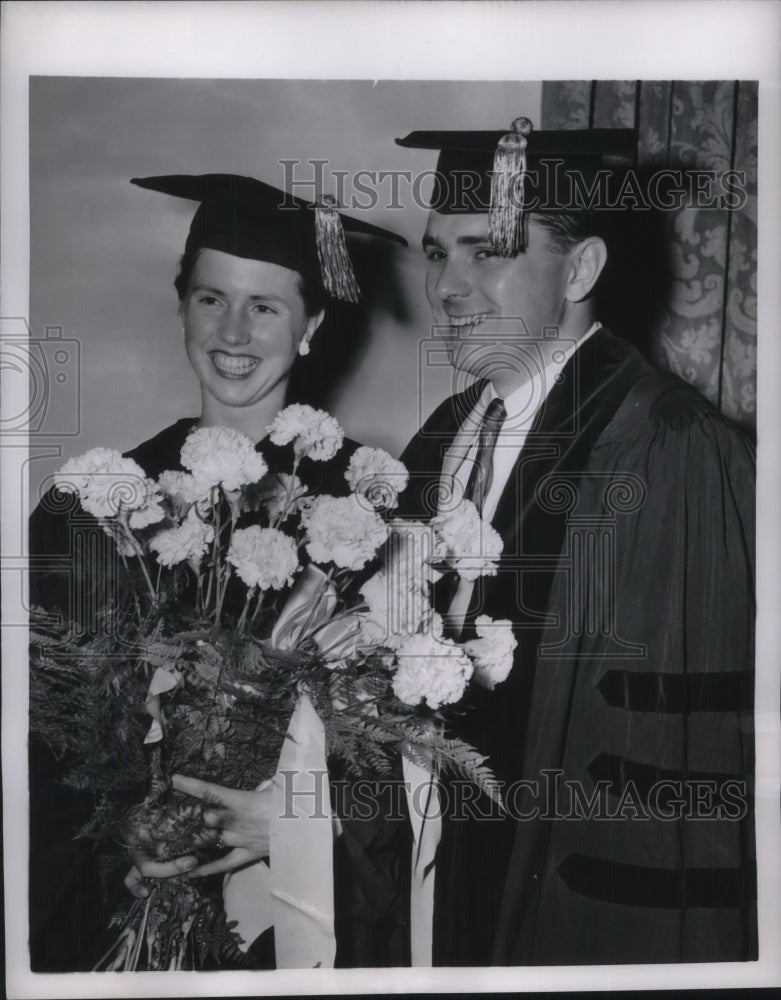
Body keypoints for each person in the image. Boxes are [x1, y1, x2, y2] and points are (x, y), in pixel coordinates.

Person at [28, 173, 410, 971]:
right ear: (180, 308)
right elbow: (41, 740)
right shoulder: (99, 502)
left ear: (312, 324)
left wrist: (299, 822)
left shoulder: (363, 518)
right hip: (120, 902)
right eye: (210, 299)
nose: (232, 331)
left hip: (297, 913)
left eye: (265, 306)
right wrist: (127, 846)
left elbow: (399, 760)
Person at [395, 119, 756, 965]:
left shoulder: (670, 452)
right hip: (433, 893)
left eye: (487, 251)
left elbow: (671, 761)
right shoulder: (440, 441)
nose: (448, 286)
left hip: (566, 919)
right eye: (435, 252)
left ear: (583, 268)